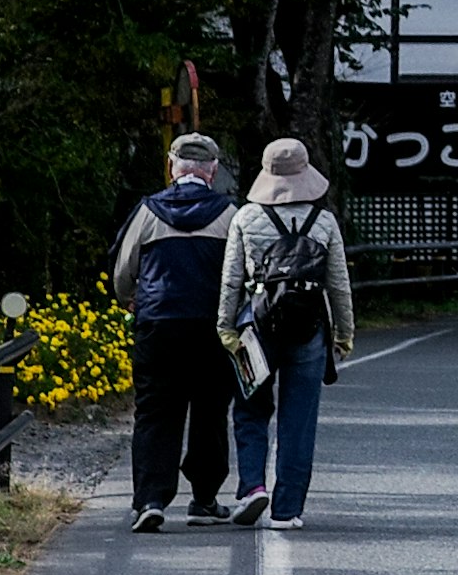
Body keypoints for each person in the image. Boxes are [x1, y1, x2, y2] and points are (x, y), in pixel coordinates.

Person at [221, 135, 356, 528]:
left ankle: (252, 487)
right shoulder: (324, 221)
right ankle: (288, 508)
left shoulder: (246, 218)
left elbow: (231, 280)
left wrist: (224, 327)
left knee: (249, 408)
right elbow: (339, 285)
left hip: (255, 327)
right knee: (299, 418)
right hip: (309, 328)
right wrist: (344, 333)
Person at [111, 132, 237, 527]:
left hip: (158, 324)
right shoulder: (229, 214)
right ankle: (203, 499)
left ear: (171, 167)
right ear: (213, 171)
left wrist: (132, 299)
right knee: (210, 410)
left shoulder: (148, 211)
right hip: (212, 327)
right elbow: (243, 272)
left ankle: (151, 499)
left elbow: (122, 272)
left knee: (155, 412)